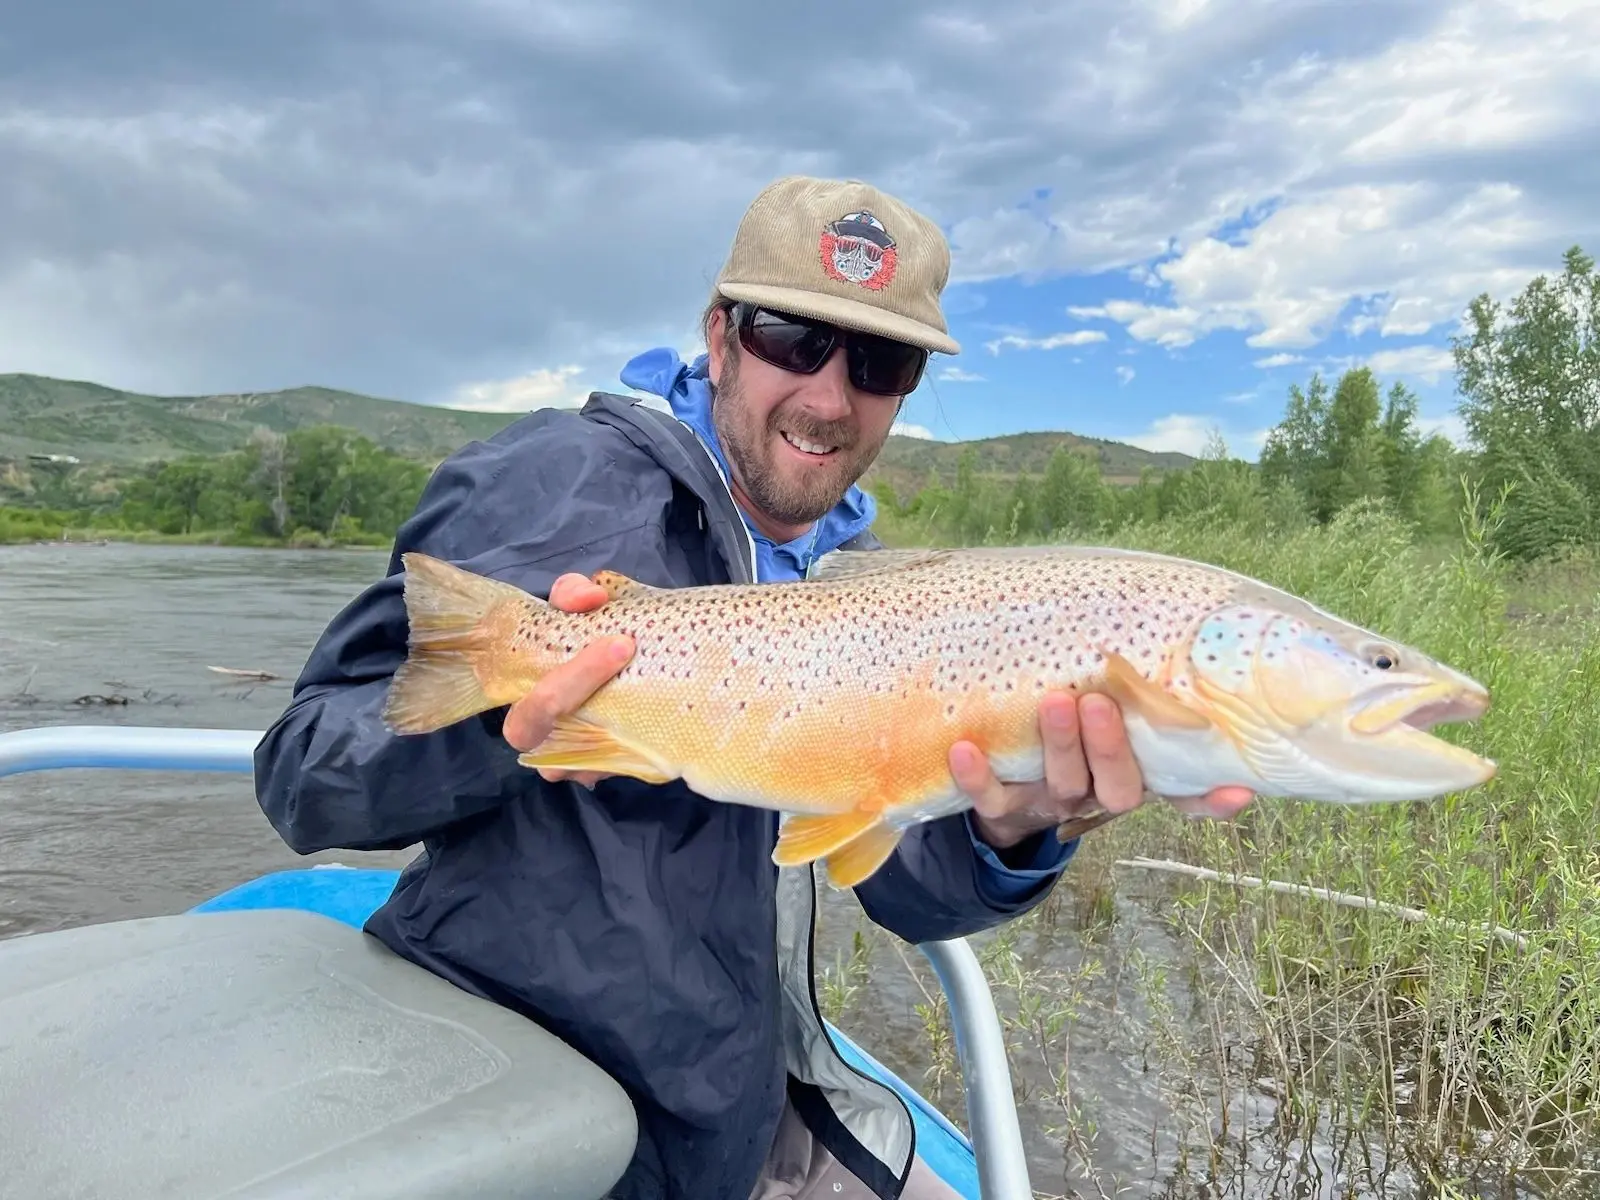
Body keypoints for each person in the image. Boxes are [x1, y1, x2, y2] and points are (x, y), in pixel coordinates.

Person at [254, 175, 1254, 1200]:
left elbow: (907, 889)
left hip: (734, 1109)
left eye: (878, 360)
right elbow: (303, 778)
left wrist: (1016, 829)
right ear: (722, 335)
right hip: (525, 1098)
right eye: (791, 338)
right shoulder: (549, 481)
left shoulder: (860, 580)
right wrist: (501, 730)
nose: (828, 397)